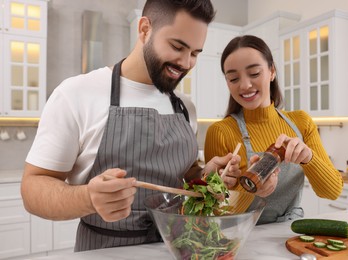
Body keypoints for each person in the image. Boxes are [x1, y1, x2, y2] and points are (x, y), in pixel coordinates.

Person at [21, 0, 244, 252]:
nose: (186, 63)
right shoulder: (76, 93)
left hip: (177, 247)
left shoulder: (185, 107)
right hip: (105, 251)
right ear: (144, 29)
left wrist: (204, 175)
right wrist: (88, 198)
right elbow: (33, 188)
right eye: (177, 46)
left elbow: (180, 175)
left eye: (194, 53)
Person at [204, 35, 343, 224]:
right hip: (241, 237)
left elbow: (333, 191)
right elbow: (215, 213)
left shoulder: (301, 122)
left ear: (272, 71)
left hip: (290, 231)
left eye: (254, 73)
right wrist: (252, 190)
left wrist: (309, 158)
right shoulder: (220, 132)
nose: (244, 85)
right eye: (233, 78)